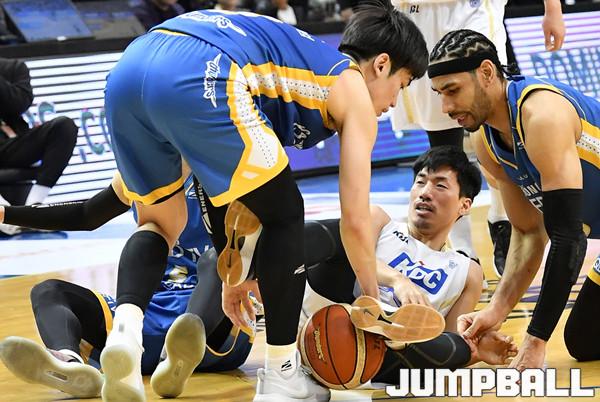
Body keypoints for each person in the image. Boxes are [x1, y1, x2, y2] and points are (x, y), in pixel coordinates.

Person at [101, 2, 428, 401]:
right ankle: (281, 374)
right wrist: (372, 300)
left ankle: (125, 334)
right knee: (287, 215)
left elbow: (216, 183)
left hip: (132, 66)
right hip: (203, 70)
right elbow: (356, 220)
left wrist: (232, 276)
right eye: (403, 84)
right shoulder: (351, 87)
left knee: (160, 224)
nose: (395, 102)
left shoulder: (296, 60)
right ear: (381, 64)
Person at [0, 172, 261, 399]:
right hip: (147, 315)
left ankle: (178, 355)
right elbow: (86, 214)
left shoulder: (224, 164)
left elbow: (272, 236)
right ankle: (69, 364)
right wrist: (6, 214)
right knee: (48, 291)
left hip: (217, 321)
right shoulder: (143, 166)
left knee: (217, 260)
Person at [427, 29, 600, 370]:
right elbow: (528, 232)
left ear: (487, 72)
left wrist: (535, 340)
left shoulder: (541, 116)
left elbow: (568, 238)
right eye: (439, 94)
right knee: (584, 339)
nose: (446, 107)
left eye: (453, 90)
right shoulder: (487, 140)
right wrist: (496, 310)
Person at [291, 146, 517, 382]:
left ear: (464, 205)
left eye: (440, 186)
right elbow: (353, 252)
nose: (425, 193)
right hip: (329, 316)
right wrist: (398, 280)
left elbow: (448, 345)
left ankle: (391, 333)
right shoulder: (381, 221)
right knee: (343, 235)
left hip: (381, 357)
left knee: (460, 345)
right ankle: (265, 258)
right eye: (420, 182)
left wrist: (475, 351)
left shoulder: (468, 272)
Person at [388, 0, 566, 277]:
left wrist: (552, 9)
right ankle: (464, 250)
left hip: (472, 8)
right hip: (416, 12)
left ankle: (501, 218)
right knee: (444, 142)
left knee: (490, 115)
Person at [0, 57, 78, 235]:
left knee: (64, 126)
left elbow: (18, 104)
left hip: (12, 143)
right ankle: (3, 212)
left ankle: (34, 208)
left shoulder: (14, 67)